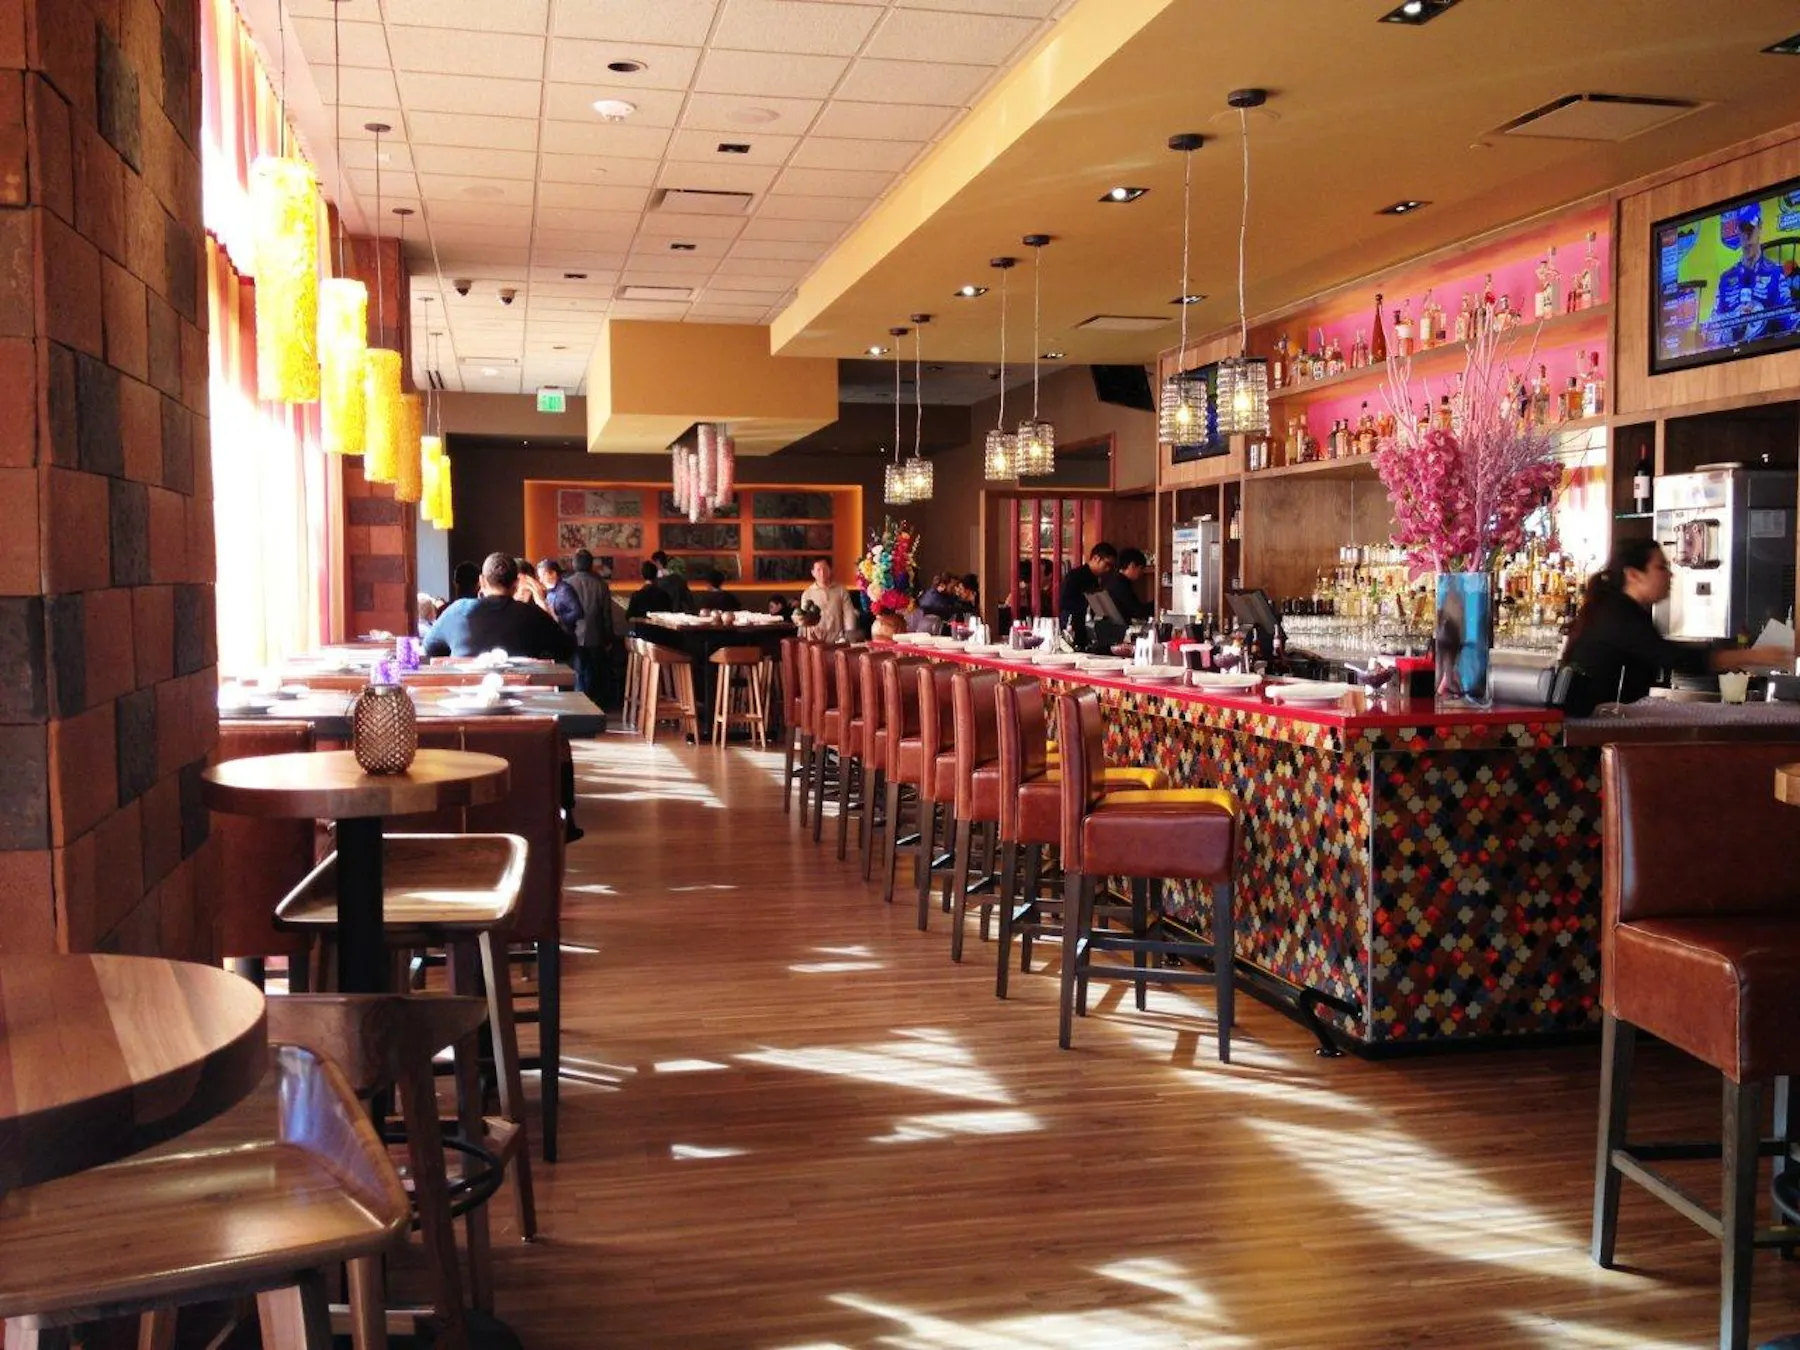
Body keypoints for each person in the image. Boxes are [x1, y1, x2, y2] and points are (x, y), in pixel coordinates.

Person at [1560, 536, 1789, 716]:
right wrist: (1752, 657)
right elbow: (1674, 657)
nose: (1671, 575)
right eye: (1661, 567)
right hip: (1590, 734)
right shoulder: (1616, 613)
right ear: (1633, 575)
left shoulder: (1622, 610)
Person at [422, 552, 575, 660]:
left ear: (482, 582)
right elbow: (566, 650)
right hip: (524, 701)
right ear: (515, 585)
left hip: (466, 697)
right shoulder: (532, 615)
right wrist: (542, 603)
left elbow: (429, 648)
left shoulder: (458, 611)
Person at [1709, 204, 1796, 345]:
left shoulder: (1775, 273)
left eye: (1750, 230)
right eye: (1742, 230)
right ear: (1737, 231)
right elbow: (1711, 330)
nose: (1746, 237)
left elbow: (1790, 320)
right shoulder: (1725, 279)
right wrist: (1735, 319)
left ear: (1760, 227)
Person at [562, 548, 615, 707]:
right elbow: (606, 615)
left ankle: (579, 705)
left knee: (577, 671)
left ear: (574, 563)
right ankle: (592, 705)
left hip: (573, 635)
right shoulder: (601, 585)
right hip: (595, 634)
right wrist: (609, 637)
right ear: (592, 564)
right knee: (593, 672)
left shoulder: (566, 584)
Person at [1058, 541, 1118, 644]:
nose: (1108, 569)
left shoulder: (1095, 579)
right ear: (1096, 558)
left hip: (1088, 627)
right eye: (1107, 564)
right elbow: (1064, 602)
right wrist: (1091, 603)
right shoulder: (1075, 576)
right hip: (1073, 627)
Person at [797, 557, 857, 643]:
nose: (822, 573)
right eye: (818, 570)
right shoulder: (807, 594)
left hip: (838, 640)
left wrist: (849, 634)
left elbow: (849, 613)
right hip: (815, 641)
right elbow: (803, 621)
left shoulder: (841, 590)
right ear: (813, 573)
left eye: (825, 569)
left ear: (830, 570)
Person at [1104, 547, 1155, 623]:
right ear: (1132, 565)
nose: (1141, 573)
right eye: (1140, 568)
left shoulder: (1115, 580)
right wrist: (1157, 603)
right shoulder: (1121, 584)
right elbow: (1137, 611)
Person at [538, 559, 582, 634]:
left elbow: (578, 612)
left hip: (565, 634)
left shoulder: (565, 590)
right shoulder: (549, 589)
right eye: (539, 576)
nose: (540, 580)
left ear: (553, 573)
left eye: (543, 576)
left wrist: (559, 619)